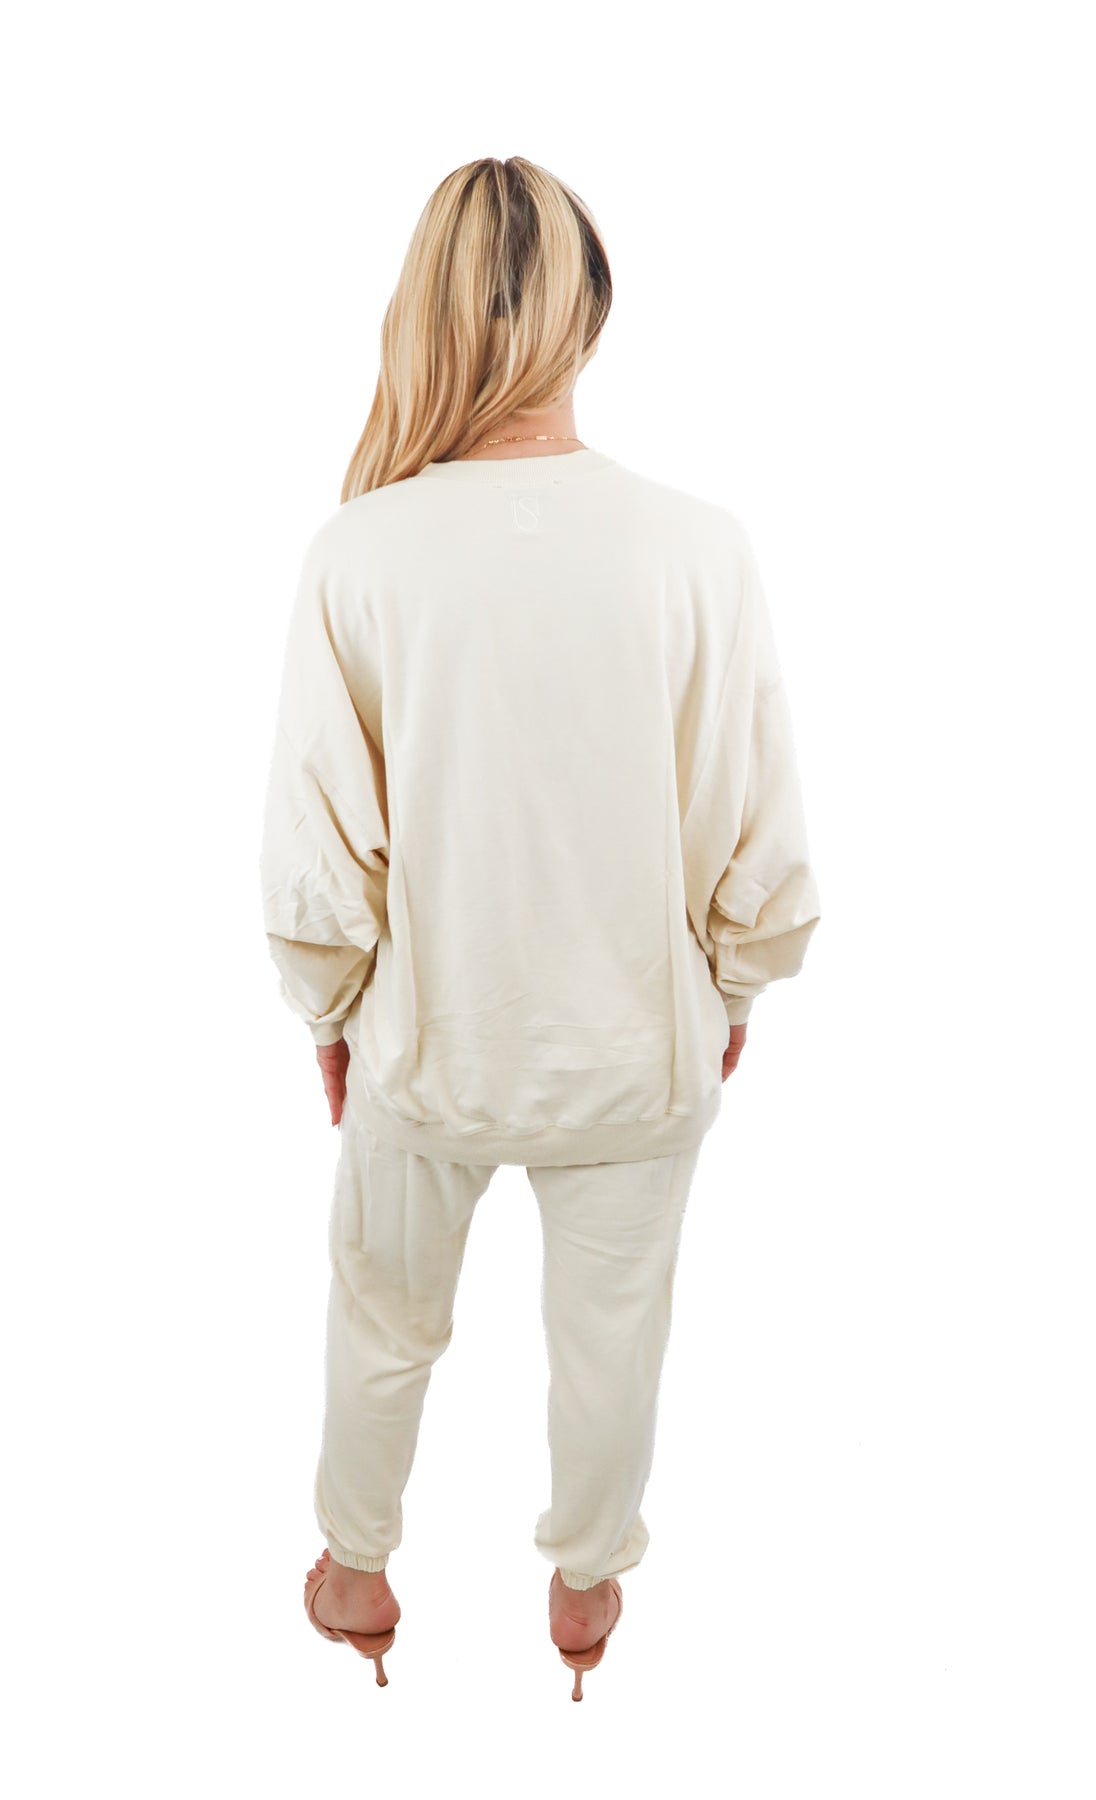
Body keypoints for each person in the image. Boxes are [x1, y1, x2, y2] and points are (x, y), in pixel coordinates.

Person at [260, 156, 821, 1698]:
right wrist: (734, 989)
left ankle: (356, 1572)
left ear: (422, 311)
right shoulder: (698, 545)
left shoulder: (359, 551)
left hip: (425, 1049)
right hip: (639, 1046)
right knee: (614, 1337)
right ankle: (585, 1590)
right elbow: (758, 815)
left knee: (383, 1318)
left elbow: (317, 850)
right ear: (594, 309)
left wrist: (331, 1017)